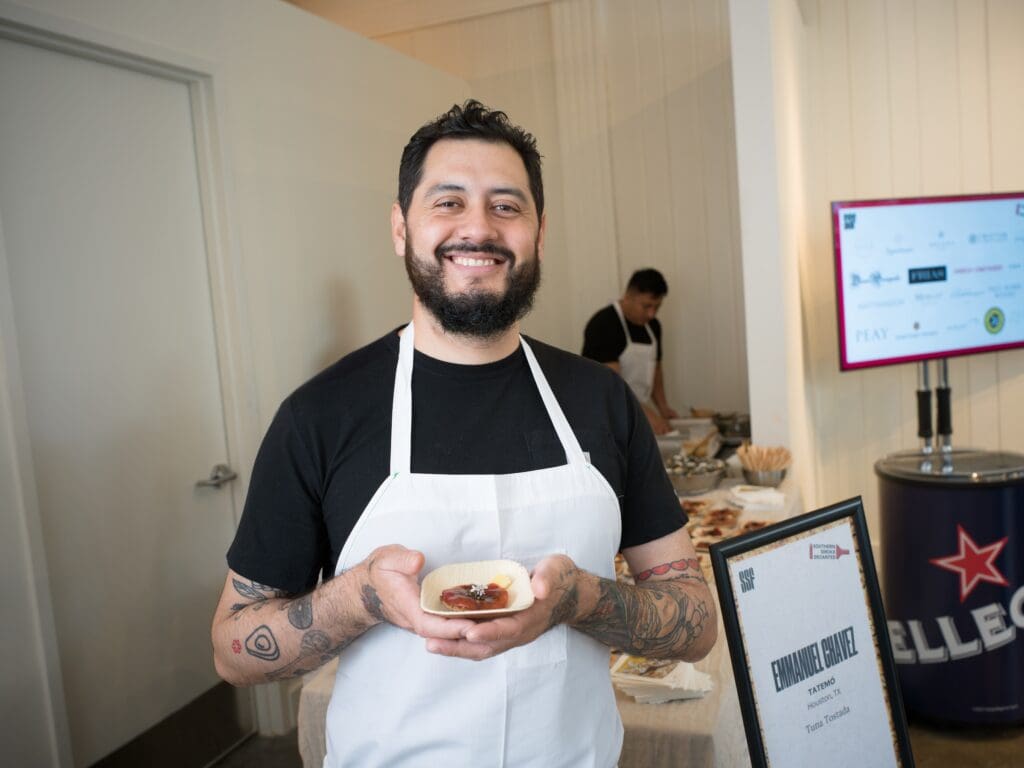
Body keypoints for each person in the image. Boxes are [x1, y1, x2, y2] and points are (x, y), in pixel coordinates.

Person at [211, 100, 716, 767]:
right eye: (448, 202)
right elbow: (233, 651)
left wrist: (580, 599)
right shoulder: (321, 415)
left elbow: (695, 620)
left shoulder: (598, 402)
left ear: (540, 232)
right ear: (401, 227)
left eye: (506, 206)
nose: (478, 228)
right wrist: (358, 596)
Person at [582, 269, 679, 435]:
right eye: (646, 306)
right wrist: (647, 415)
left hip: (637, 409)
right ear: (628, 296)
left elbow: (656, 369)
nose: (652, 313)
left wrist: (663, 408)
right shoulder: (604, 324)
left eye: (657, 307)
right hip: (605, 415)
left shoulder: (653, 326)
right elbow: (613, 384)